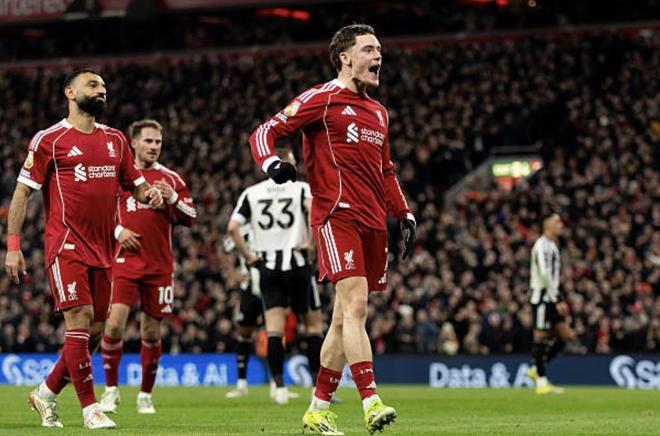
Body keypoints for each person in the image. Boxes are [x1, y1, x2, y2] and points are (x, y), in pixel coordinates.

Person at [248, 24, 415, 435]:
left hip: (373, 222)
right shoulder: (321, 99)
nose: (378, 56)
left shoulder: (379, 112)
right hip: (335, 215)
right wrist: (272, 163)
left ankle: (317, 409)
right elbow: (265, 131)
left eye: (379, 49)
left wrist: (404, 213)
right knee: (356, 306)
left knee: (342, 319)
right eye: (369, 49)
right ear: (345, 57)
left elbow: (386, 171)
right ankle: (371, 400)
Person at [3, 69, 163, 429]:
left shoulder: (116, 140)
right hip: (66, 244)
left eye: (104, 86)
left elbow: (136, 185)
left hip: (104, 249)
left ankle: (45, 393)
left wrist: (149, 194)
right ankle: (91, 409)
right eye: (93, 84)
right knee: (79, 319)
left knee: (95, 331)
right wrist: (13, 246)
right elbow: (22, 192)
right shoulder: (50, 140)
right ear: (70, 93)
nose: (101, 90)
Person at [99, 119, 197, 414]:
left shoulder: (170, 178)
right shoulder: (118, 175)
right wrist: (118, 232)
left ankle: (145, 395)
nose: (154, 146)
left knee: (152, 332)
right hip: (124, 262)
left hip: (159, 266)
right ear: (134, 143)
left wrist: (173, 197)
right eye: (148, 141)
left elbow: (191, 216)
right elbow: (97, 213)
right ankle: (111, 390)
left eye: (158, 142)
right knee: (113, 324)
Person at [227, 148, 324, 405]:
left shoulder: (252, 192)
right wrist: (311, 243)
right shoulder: (301, 189)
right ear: (290, 163)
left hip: (268, 267)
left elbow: (233, 227)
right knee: (313, 326)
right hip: (298, 263)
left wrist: (249, 256)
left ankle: (279, 387)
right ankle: (318, 389)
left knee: (274, 329)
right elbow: (314, 212)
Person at [526, 212, 576, 394]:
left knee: (566, 337)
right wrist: (558, 299)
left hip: (552, 297)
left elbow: (553, 277)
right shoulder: (541, 245)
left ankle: (536, 367)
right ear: (547, 224)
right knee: (540, 337)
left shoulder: (553, 246)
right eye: (557, 221)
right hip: (541, 297)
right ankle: (541, 382)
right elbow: (544, 274)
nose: (560, 224)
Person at [223, 225, 264, 399]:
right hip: (248, 288)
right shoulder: (245, 230)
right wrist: (232, 273)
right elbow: (224, 249)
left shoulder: (271, 226)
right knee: (244, 332)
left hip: (271, 286)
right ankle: (241, 383)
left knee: (275, 332)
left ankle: (278, 385)